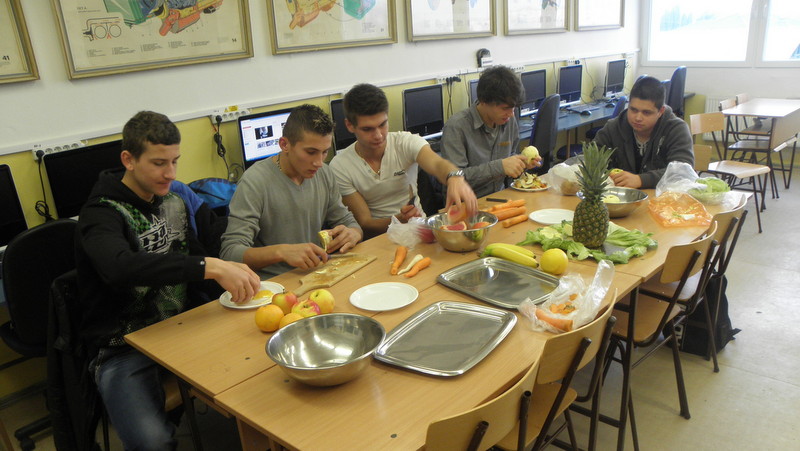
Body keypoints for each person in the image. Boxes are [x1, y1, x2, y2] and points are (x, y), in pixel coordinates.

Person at [75, 111, 261, 450]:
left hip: (183, 327)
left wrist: (239, 276)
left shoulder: (174, 201)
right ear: (128, 160)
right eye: (159, 163)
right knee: (152, 442)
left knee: (263, 383)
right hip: (124, 346)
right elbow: (119, 267)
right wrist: (208, 267)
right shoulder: (101, 214)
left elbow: (202, 254)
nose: (171, 174)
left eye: (175, 161)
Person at [221, 104, 362, 277]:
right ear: (284, 144)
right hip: (275, 282)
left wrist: (353, 233)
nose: (319, 162)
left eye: (325, 152)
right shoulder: (254, 182)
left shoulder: (324, 173)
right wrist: (281, 252)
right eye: (311, 152)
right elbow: (230, 253)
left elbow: (348, 222)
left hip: (317, 273)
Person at [329, 83, 478, 238]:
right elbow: (365, 223)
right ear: (349, 125)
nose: (378, 135)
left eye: (382, 124)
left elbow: (437, 164)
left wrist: (454, 177)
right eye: (367, 129)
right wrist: (399, 219)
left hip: (420, 231)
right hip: (379, 239)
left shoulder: (405, 142)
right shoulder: (340, 166)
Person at [440, 65, 540, 197]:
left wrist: (522, 163)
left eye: (514, 108)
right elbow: (455, 177)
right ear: (483, 101)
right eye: (505, 108)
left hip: (501, 196)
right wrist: (499, 167)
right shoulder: (457, 127)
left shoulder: (508, 120)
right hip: (468, 201)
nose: (511, 114)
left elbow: (510, 157)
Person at [594, 75, 694, 189]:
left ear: (660, 111)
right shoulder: (614, 127)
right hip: (619, 196)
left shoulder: (677, 129)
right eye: (633, 110)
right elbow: (590, 160)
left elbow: (683, 172)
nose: (638, 118)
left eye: (646, 113)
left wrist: (641, 180)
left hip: (661, 196)